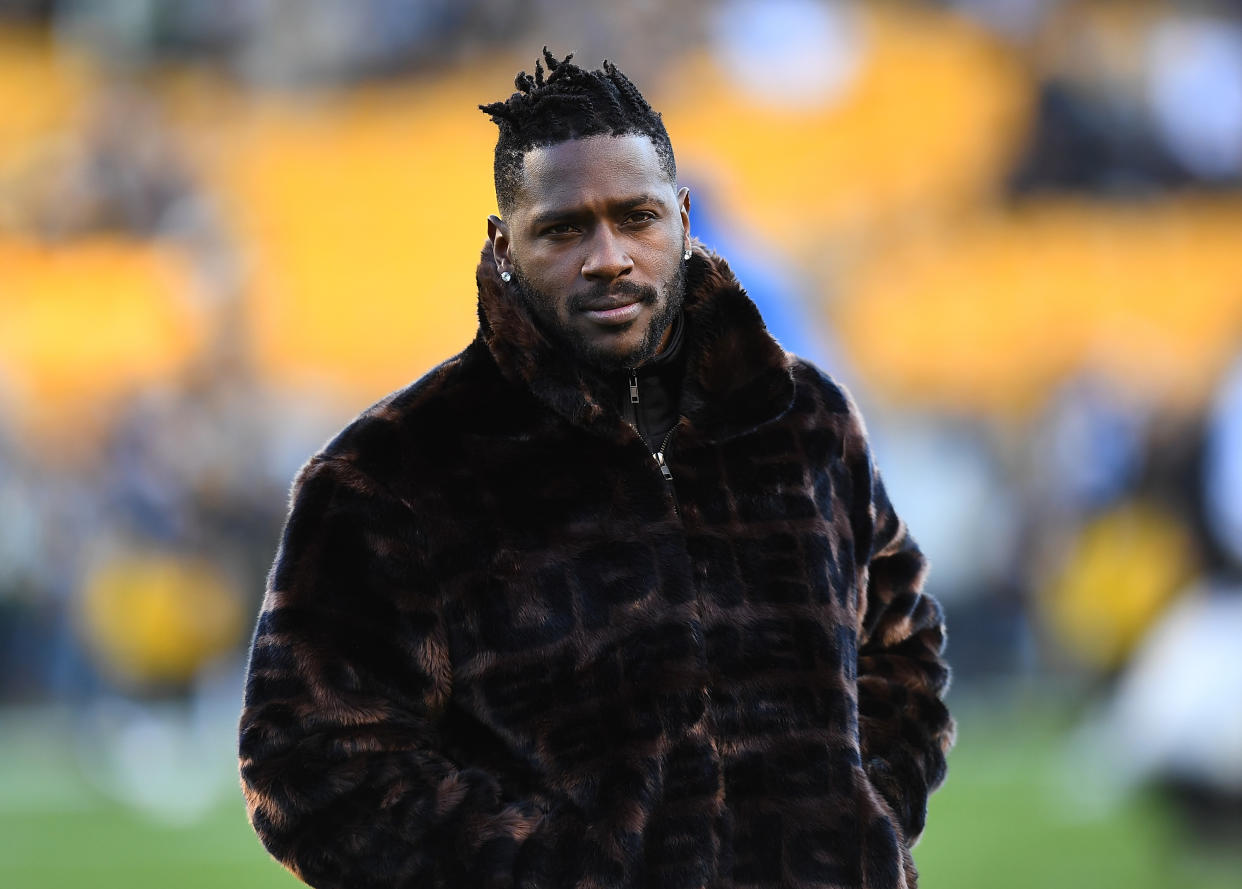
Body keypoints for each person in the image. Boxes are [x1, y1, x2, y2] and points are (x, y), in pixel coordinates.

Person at [238, 49, 954, 889]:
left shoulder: (805, 422)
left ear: (684, 219)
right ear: (505, 245)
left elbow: (902, 649)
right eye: (565, 228)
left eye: (637, 218)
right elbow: (310, 764)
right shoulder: (388, 477)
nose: (609, 256)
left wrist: (854, 825)